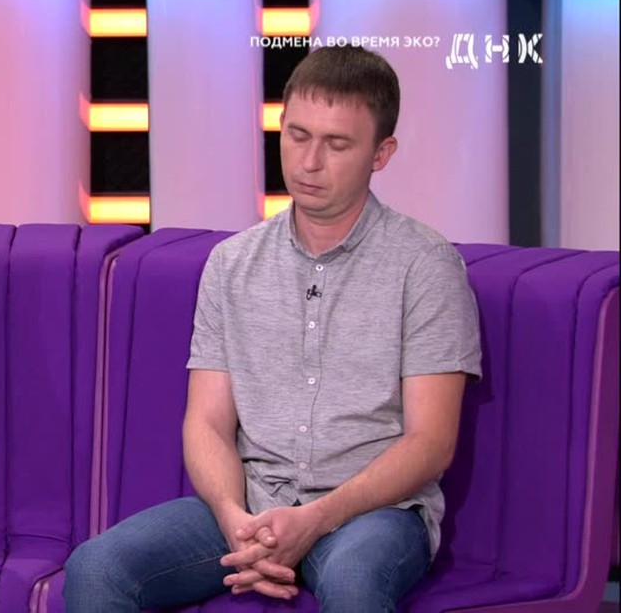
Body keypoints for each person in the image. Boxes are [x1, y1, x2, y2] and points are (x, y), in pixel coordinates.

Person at [63, 45, 482, 613]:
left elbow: (430, 443)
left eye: (337, 144)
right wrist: (234, 519)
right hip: (250, 507)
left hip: (371, 513)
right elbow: (206, 423)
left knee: (355, 584)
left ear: (381, 154)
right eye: (297, 135)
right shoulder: (232, 263)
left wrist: (316, 519)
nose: (309, 162)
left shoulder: (425, 265)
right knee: (97, 568)